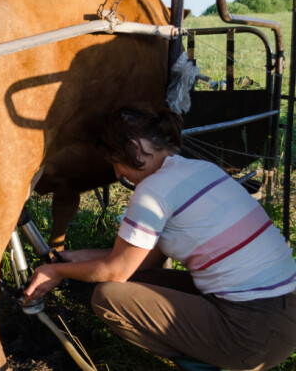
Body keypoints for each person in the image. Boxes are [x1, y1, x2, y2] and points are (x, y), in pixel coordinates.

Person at [23, 103, 296, 371]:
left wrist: (56, 270)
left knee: (107, 297)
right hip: (285, 312)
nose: (118, 174)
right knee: (135, 281)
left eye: (116, 163)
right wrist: (70, 260)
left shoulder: (154, 191)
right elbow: (141, 260)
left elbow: (116, 271)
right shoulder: (202, 169)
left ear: (135, 148)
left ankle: (205, 362)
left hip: (249, 335)